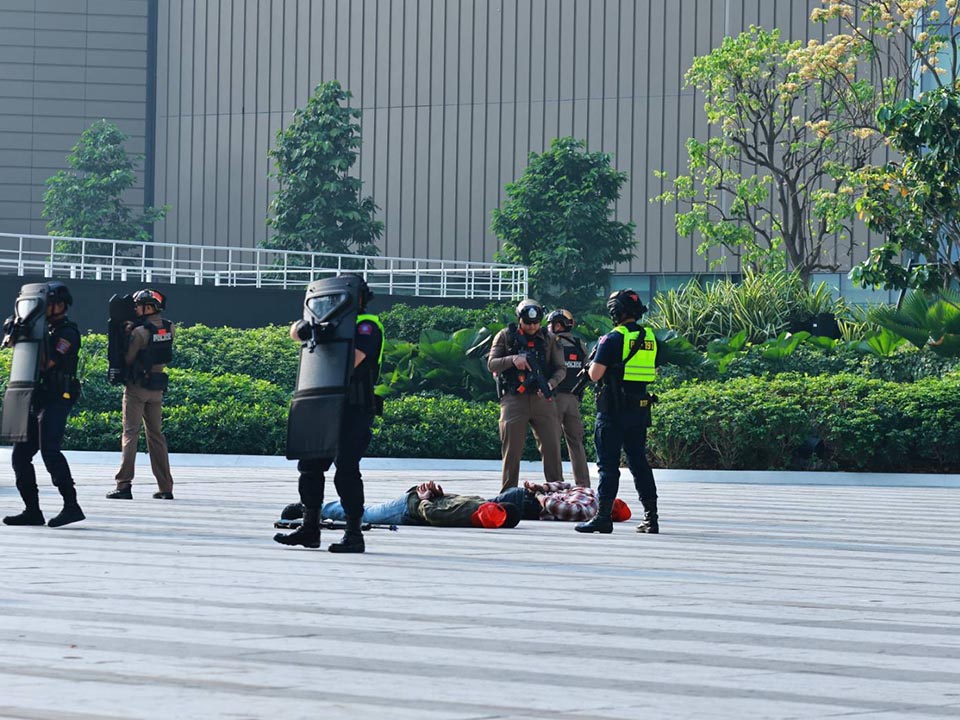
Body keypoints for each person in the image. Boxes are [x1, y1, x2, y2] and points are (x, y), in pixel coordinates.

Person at [274, 275, 383, 553]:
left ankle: (354, 535)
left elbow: (352, 360)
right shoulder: (324, 327)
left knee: (346, 471)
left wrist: (325, 335)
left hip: (354, 407)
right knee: (309, 467)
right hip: (321, 404)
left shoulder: (367, 326)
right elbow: (295, 334)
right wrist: (308, 327)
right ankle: (310, 529)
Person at [575, 288, 661, 535]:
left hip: (613, 411)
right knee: (639, 463)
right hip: (639, 410)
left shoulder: (611, 338)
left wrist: (595, 365)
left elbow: (595, 375)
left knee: (608, 467)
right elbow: (651, 371)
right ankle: (651, 518)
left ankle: (603, 518)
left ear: (616, 312)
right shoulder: (650, 337)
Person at [3, 282, 85, 527]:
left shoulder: (67, 333)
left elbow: (46, 364)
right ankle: (32, 511)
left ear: (60, 305)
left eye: (49, 303)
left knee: (50, 450)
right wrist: (16, 331)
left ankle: (72, 506)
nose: (45, 308)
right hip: (34, 395)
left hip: (58, 396)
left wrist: (27, 334)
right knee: (20, 456)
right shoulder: (41, 329)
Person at [487, 299, 566, 492]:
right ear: (519, 319)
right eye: (527, 323)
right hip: (514, 399)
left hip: (542, 400)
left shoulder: (549, 339)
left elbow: (561, 369)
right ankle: (508, 495)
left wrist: (550, 383)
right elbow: (492, 363)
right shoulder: (505, 336)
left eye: (536, 323)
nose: (532, 327)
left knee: (552, 449)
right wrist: (513, 360)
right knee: (511, 451)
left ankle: (557, 493)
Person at [107, 289, 175, 500]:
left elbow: (127, 359)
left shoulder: (139, 332)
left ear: (148, 307)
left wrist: (127, 335)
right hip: (157, 387)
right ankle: (166, 488)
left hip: (136, 389)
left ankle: (123, 485)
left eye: (138, 305)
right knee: (156, 437)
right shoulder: (169, 327)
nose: (135, 309)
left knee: (130, 435)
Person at [316, 481, 522, 529]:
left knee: (365, 513)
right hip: (409, 505)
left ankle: (317, 508)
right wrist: (431, 496)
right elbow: (436, 513)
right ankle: (317, 508)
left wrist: (427, 498)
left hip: (412, 505)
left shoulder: (477, 508)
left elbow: (435, 514)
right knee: (365, 514)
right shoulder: (476, 507)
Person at [546, 309, 591, 487]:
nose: (549, 327)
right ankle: (583, 485)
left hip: (554, 399)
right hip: (573, 399)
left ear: (558, 324)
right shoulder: (580, 344)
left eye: (551, 324)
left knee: (552, 443)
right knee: (576, 443)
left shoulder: (551, 343)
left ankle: (556, 484)